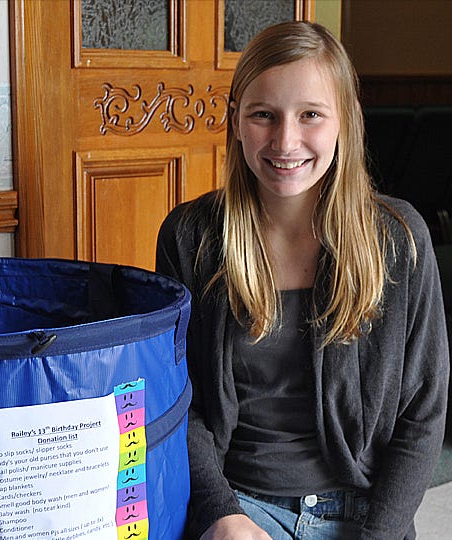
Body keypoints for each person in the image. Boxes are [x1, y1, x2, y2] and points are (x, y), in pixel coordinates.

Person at [155, 21, 449, 540]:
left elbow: (422, 415)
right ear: (236, 123)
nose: (285, 141)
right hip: (239, 503)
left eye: (310, 114)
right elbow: (182, 402)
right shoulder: (191, 238)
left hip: (366, 511)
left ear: (347, 122)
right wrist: (222, 514)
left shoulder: (400, 239)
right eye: (263, 114)